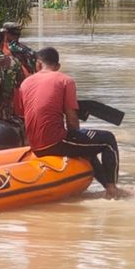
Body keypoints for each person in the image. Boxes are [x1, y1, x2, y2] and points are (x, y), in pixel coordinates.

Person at [16, 47, 120, 199]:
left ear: (38, 64)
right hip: (55, 142)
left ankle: (105, 186)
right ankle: (112, 189)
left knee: (86, 148)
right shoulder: (65, 80)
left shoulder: (25, 83)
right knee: (108, 139)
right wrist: (77, 135)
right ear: (57, 66)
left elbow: (23, 114)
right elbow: (72, 120)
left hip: (34, 144)